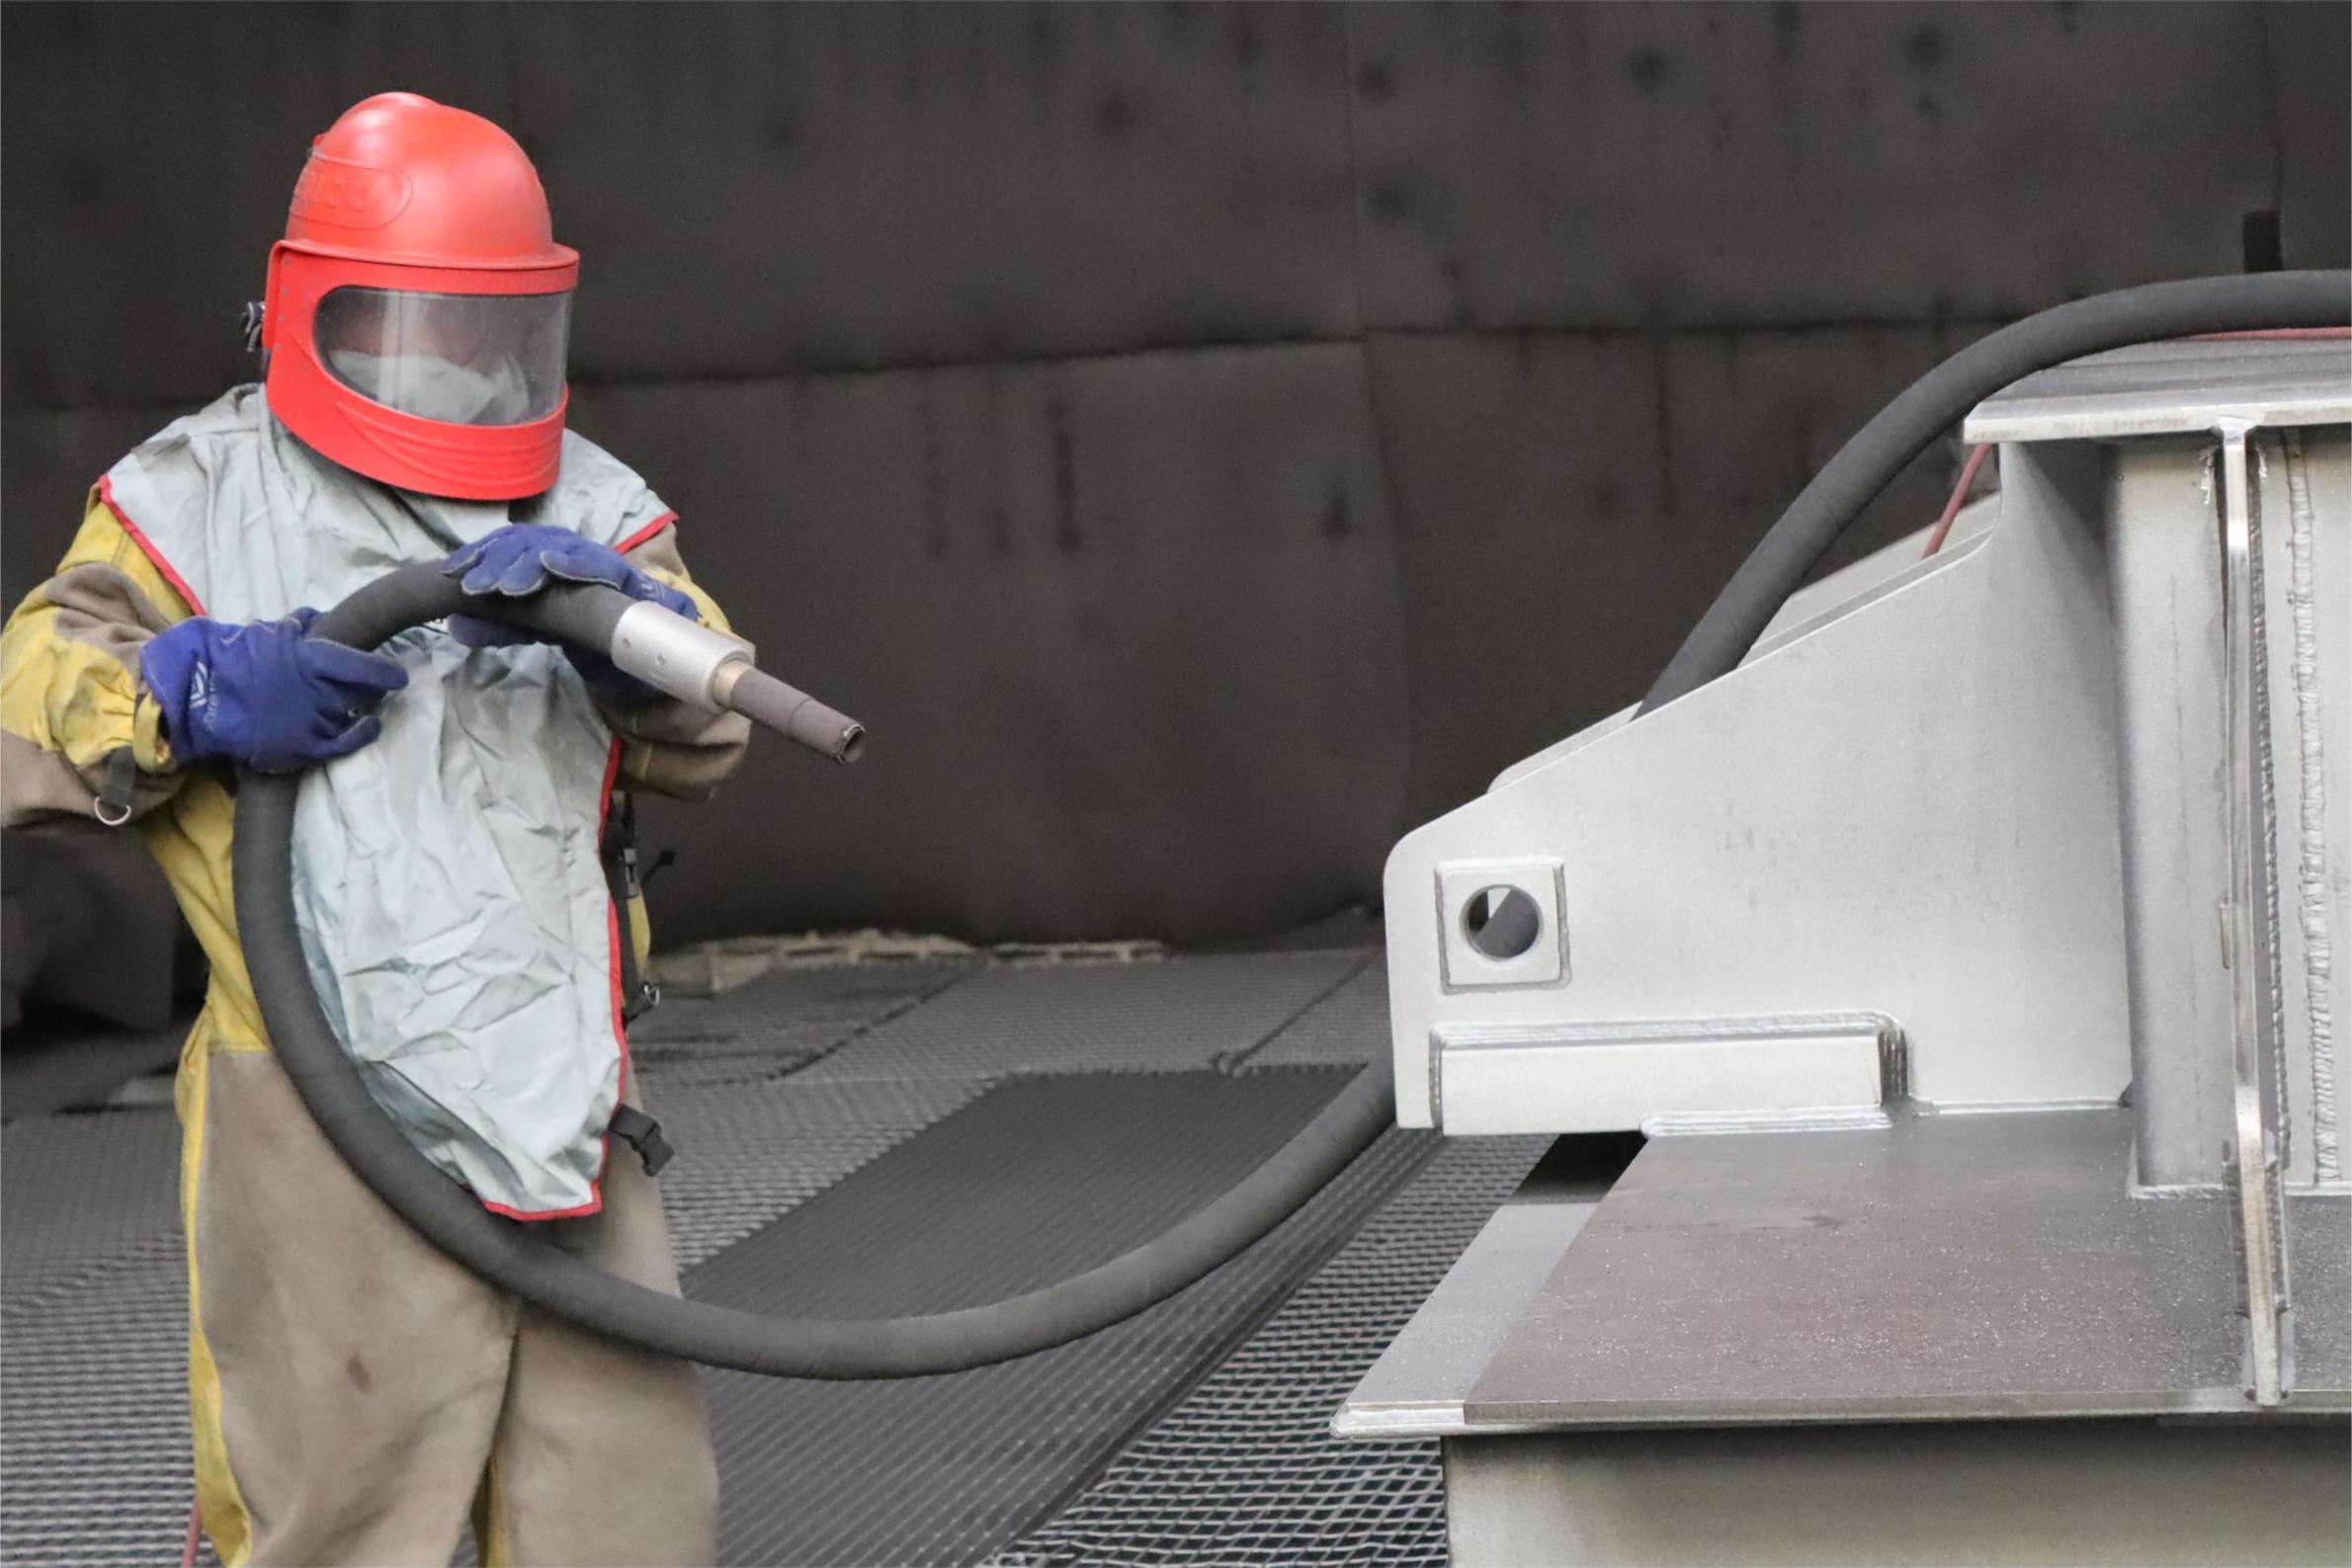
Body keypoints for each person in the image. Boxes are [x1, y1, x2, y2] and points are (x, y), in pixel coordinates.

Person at [0, 92, 742, 1566]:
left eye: (487, 328)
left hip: (559, 1095)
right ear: (306, 311)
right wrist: (185, 693)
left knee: (629, 1518)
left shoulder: (593, 507)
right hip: (311, 1110)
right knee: (339, 1521)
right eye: (405, 323)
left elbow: (712, 712)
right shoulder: (190, 502)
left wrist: (627, 640)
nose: (445, 365)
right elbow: (29, 700)